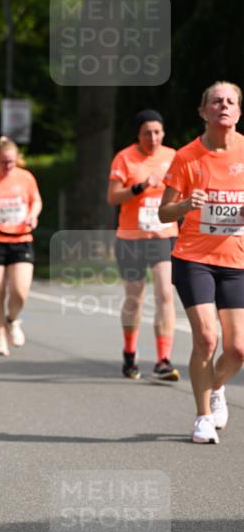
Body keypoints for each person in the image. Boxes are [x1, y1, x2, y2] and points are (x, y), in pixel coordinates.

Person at [159, 81, 244, 444]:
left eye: (230, 102)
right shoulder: (186, 156)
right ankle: (203, 417)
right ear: (203, 111)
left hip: (236, 259)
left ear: (238, 111)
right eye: (215, 101)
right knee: (207, 338)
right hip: (193, 257)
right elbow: (164, 211)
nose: (223, 106)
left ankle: (216, 387)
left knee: (238, 348)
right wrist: (184, 206)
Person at [107, 110, 179, 380]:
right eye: (147, 132)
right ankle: (129, 352)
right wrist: (139, 187)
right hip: (131, 238)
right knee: (135, 298)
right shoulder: (125, 158)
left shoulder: (172, 157)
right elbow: (113, 197)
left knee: (165, 294)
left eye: (158, 132)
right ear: (138, 134)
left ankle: (163, 359)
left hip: (162, 234)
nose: (153, 137)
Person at [0, 136, 42, 356]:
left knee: (20, 291)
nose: (8, 166)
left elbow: (36, 200)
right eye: (4, 161)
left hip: (21, 239)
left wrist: (33, 215)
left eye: (12, 162)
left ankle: (12, 320)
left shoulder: (25, 178)